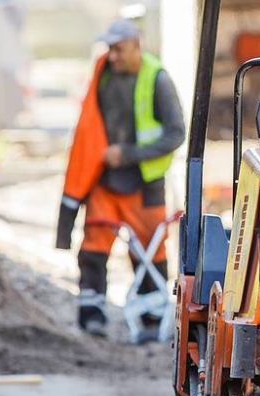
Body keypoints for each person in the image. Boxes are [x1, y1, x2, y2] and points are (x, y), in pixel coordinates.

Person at [55, 19, 185, 339]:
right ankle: (91, 314)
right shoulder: (103, 75)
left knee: (150, 253)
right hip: (105, 180)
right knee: (94, 248)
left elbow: (176, 134)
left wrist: (126, 154)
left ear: (136, 45)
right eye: (109, 49)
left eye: (119, 49)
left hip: (144, 183)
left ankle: (152, 319)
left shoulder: (157, 79)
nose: (112, 56)